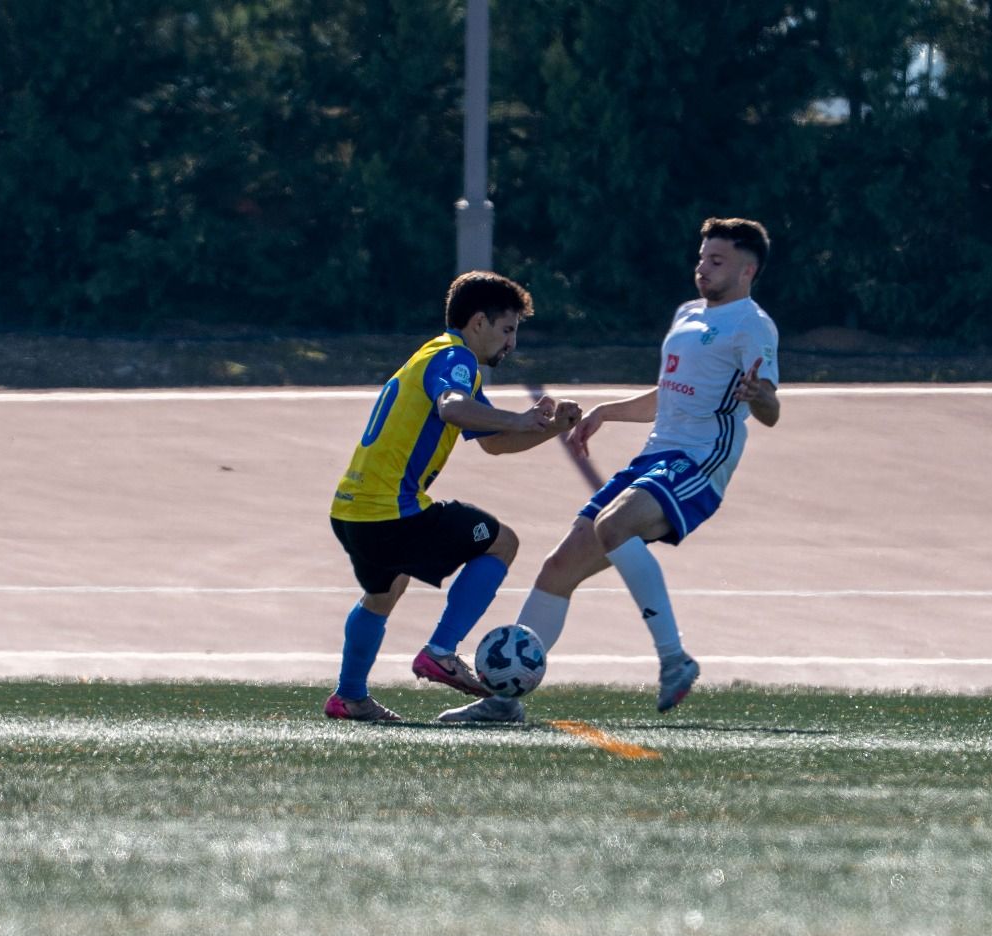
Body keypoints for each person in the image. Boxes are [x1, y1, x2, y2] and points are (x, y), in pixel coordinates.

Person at [438, 218, 779, 723]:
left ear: (748, 269)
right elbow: (670, 396)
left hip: (699, 462)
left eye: (717, 260)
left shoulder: (752, 325)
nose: (702, 267)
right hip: (655, 458)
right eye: (702, 257)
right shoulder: (688, 315)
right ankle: (504, 701)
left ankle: (674, 658)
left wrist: (762, 396)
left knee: (613, 525)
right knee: (559, 566)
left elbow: (770, 407)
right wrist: (607, 412)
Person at [325, 271, 581, 724]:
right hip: (389, 511)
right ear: (478, 322)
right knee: (502, 542)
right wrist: (521, 419)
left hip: (350, 511)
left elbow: (495, 442)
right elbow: (451, 407)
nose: (512, 344)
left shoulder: (436, 356)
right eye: (508, 330)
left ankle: (349, 697)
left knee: (385, 592)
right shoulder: (455, 358)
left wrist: (550, 428)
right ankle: (442, 651)